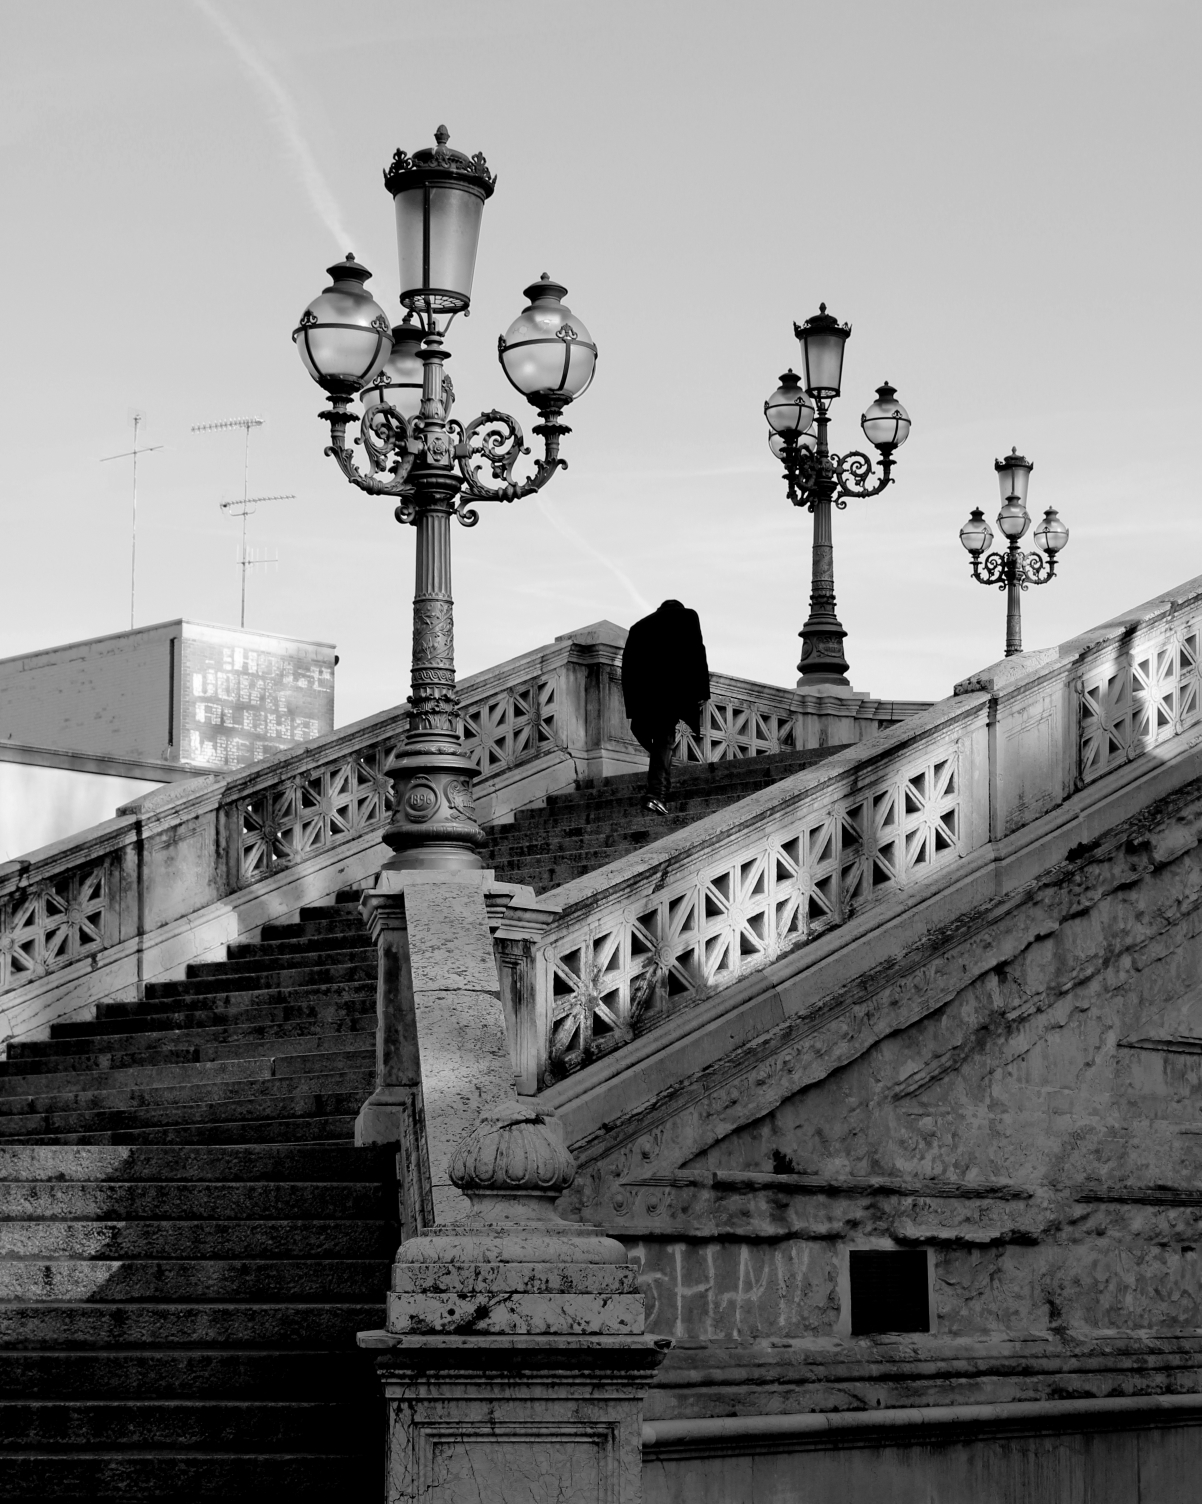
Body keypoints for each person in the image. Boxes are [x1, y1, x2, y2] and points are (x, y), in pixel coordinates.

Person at [621, 600, 710, 814]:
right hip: (669, 693)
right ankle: (656, 794)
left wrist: (632, 704)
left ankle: (660, 788)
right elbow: (697, 653)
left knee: (659, 741)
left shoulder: (639, 627)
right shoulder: (688, 617)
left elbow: (627, 666)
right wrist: (702, 692)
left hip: (645, 694)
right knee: (664, 740)